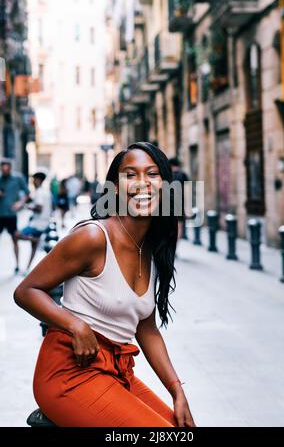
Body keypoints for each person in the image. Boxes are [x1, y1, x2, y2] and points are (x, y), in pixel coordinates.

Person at [14, 142, 196, 428]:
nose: (142, 183)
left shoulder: (150, 246)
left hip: (117, 371)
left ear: (166, 186)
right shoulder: (93, 237)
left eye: (152, 174)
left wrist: (177, 390)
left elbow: (146, 329)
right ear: (115, 187)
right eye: (130, 174)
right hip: (69, 373)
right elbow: (25, 291)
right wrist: (76, 325)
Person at [15, 172, 52, 273]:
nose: (32, 182)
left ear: (38, 180)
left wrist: (27, 206)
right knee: (33, 248)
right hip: (44, 222)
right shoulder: (46, 192)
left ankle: (35, 240)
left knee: (16, 235)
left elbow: (39, 208)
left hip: (38, 224)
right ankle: (27, 269)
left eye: (34, 180)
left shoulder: (40, 192)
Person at [0, 158, 30, 273]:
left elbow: (27, 193)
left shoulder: (18, 178)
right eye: (2, 168)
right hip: (0, 215)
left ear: (10, 168)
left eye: (6, 167)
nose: (4, 170)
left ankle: (17, 265)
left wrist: (20, 203)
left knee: (15, 239)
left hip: (11, 215)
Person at [169, 157, 189, 240]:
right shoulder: (183, 175)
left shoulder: (167, 175)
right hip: (179, 205)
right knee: (179, 227)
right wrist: (187, 209)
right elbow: (187, 192)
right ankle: (175, 248)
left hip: (167, 205)